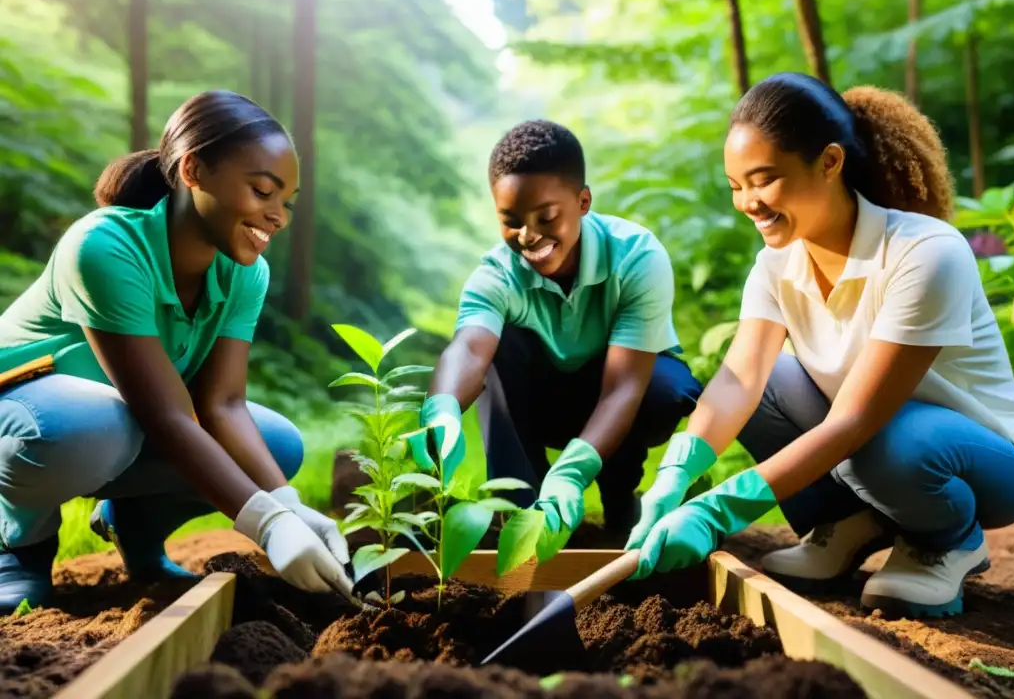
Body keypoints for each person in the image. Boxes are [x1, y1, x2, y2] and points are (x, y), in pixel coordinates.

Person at [623, 72, 1014, 618]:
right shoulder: (775, 265)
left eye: (763, 180)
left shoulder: (925, 252)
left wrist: (719, 511)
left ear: (830, 162)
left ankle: (948, 539)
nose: (748, 202)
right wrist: (674, 477)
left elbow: (853, 422)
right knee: (763, 389)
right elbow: (739, 379)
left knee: (885, 444)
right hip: (875, 441)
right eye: (736, 185)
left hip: (983, 460)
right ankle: (847, 524)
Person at [0, 90, 361, 614]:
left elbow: (222, 405)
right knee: (97, 426)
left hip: (123, 423)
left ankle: (138, 528)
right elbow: (167, 415)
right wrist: (268, 525)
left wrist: (288, 505)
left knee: (277, 444)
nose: (277, 216)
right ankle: (19, 544)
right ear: (194, 170)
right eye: (262, 191)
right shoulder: (105, 246)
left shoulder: (245, 271)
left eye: (286, 201)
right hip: (24, 415)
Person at [407, 120, 703, 544]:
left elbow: (623, 388)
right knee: (497, 351)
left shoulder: (637, 256)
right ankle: (521, 511)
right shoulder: (496, 275)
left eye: (546, 217)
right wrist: (442, 411)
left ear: (582, 202)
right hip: (543, 401)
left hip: (623, 393)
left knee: (665, 387)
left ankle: (621, 498)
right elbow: (470, 351)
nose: (528, 236)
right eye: (511, 220)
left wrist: (573, 472)